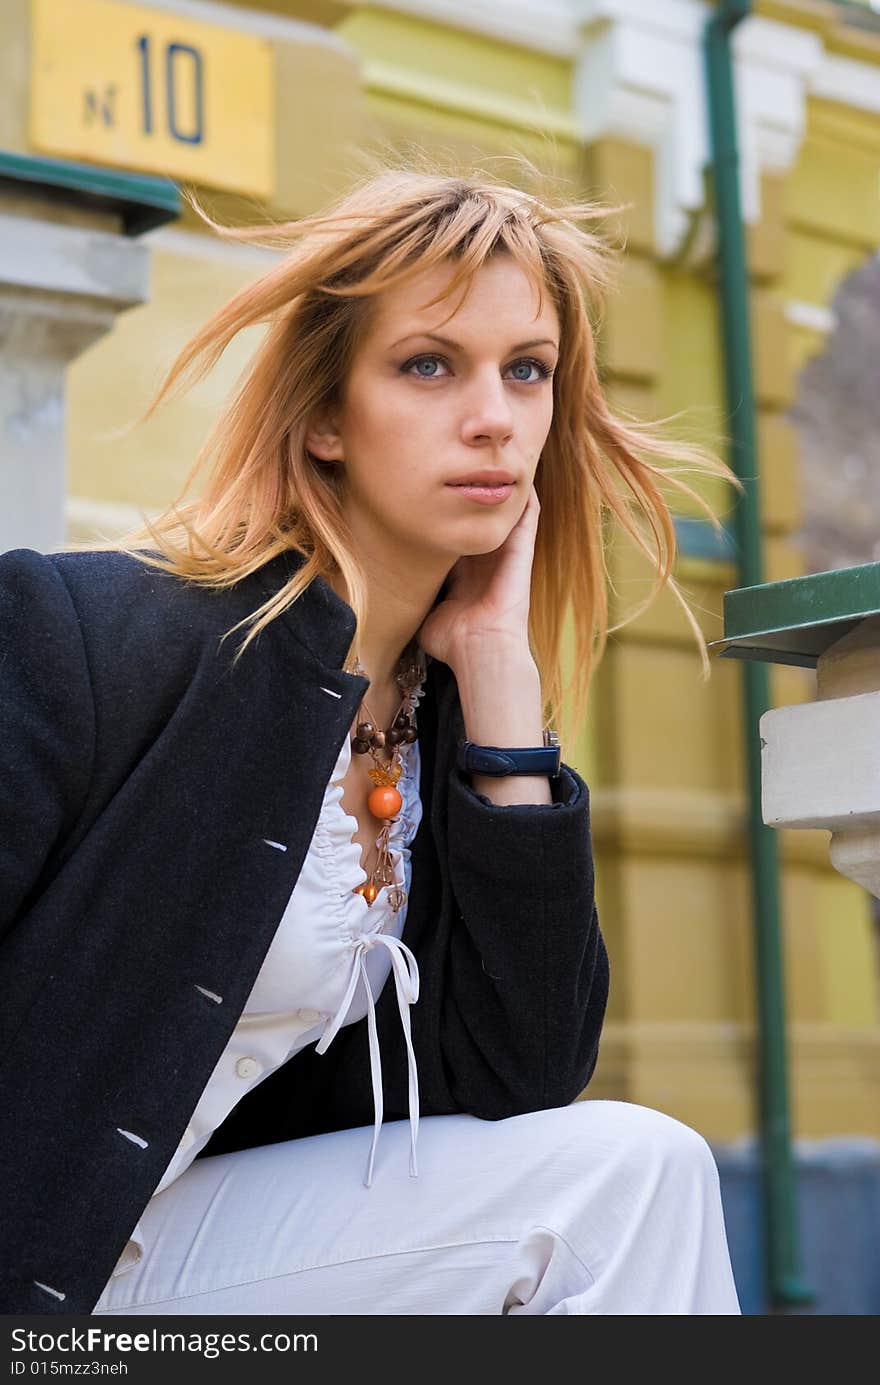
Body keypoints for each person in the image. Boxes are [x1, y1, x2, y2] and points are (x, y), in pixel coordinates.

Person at [0, 159, 743, 1316]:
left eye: (527, 370)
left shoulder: (442, 716)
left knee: (635, 1171)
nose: (495, 415)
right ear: (324, 417)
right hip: (40, 1266)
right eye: (428, 365)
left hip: (184, 1252)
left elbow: (523, 1073)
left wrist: (502, 688)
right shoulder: (92, 638)